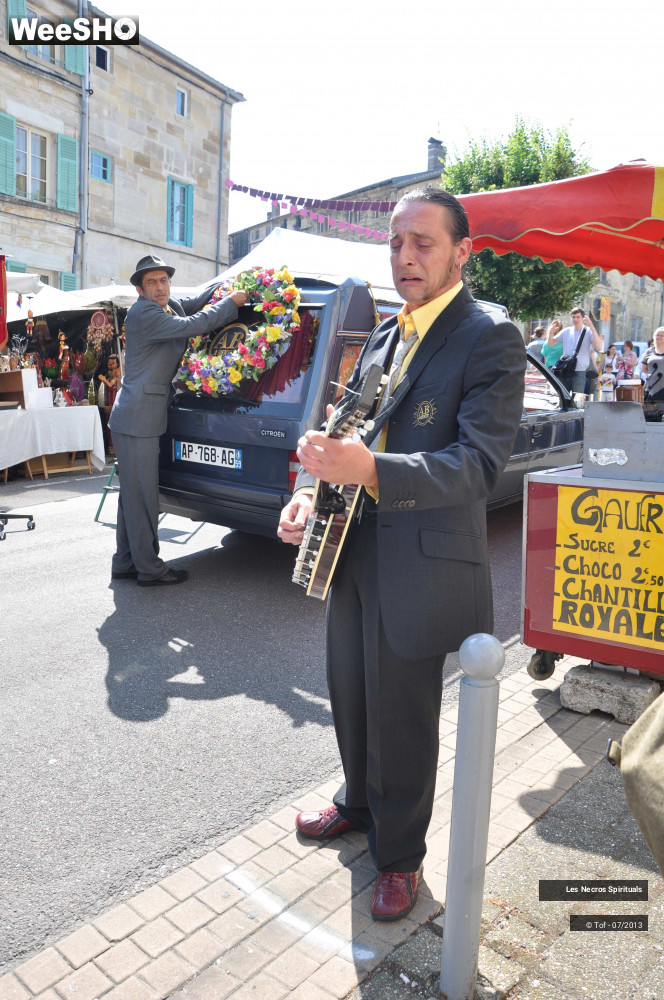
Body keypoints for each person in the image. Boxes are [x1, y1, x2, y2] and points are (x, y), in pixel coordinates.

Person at [278, 188, 526, 921]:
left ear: (461, 252)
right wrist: (307, 489)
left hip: (423, 560)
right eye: (395, 242)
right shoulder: (388, 335)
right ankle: (357, 803)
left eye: (422, 242)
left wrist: (371, 473)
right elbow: (345, 425)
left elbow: (477, 465)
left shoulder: (489, 335)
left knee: (404, 715)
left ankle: (400, 857)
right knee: (350, 689)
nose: (405, 256)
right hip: (352, 546)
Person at [109, 254, 248, 586]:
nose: (160, 287)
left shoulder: (165, 305)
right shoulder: (145, 314)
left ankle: (126, 560)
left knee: (132, 493)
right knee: (143, 496)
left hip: (135, 416)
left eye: (164, 280)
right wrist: (231, 303)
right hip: (138, 417)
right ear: (141, 290)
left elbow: (194, 300)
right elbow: (193, 325)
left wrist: (231, 283)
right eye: (152, 282)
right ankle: (149, 568)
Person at [547, 307, 603, 394]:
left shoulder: (588, 331)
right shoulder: (566, 331)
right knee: (563, 398)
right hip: (565, 369)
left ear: (583, 318)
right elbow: (550, 344)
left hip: (579, 372)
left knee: (577, 400)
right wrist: (550, 334)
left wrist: (592, 327)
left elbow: (599, 347)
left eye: (578, 317)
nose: (575, 319)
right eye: (573, 317)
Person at [641, 327, 664, 400]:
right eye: (657, 335)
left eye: (662, 335)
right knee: (649, 410)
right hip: (651, 386)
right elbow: (644, 369)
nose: (659, 337)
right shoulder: (649, 351)